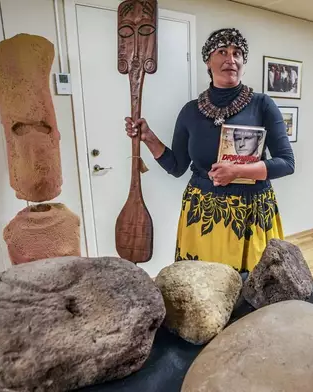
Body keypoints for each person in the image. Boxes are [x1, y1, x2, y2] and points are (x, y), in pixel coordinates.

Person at [125, 27, 295, 272]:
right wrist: (149, 138)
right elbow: (176, 166)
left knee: (250, 288)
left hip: (250, 213)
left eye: (237, 53)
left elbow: (286, 163)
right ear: (208, 60)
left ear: (244, 63)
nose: (231, 59)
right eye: (222, 51)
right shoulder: (190, 111)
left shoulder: (262, 105)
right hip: (202, 213)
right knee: (201, 286)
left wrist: (237, 171)